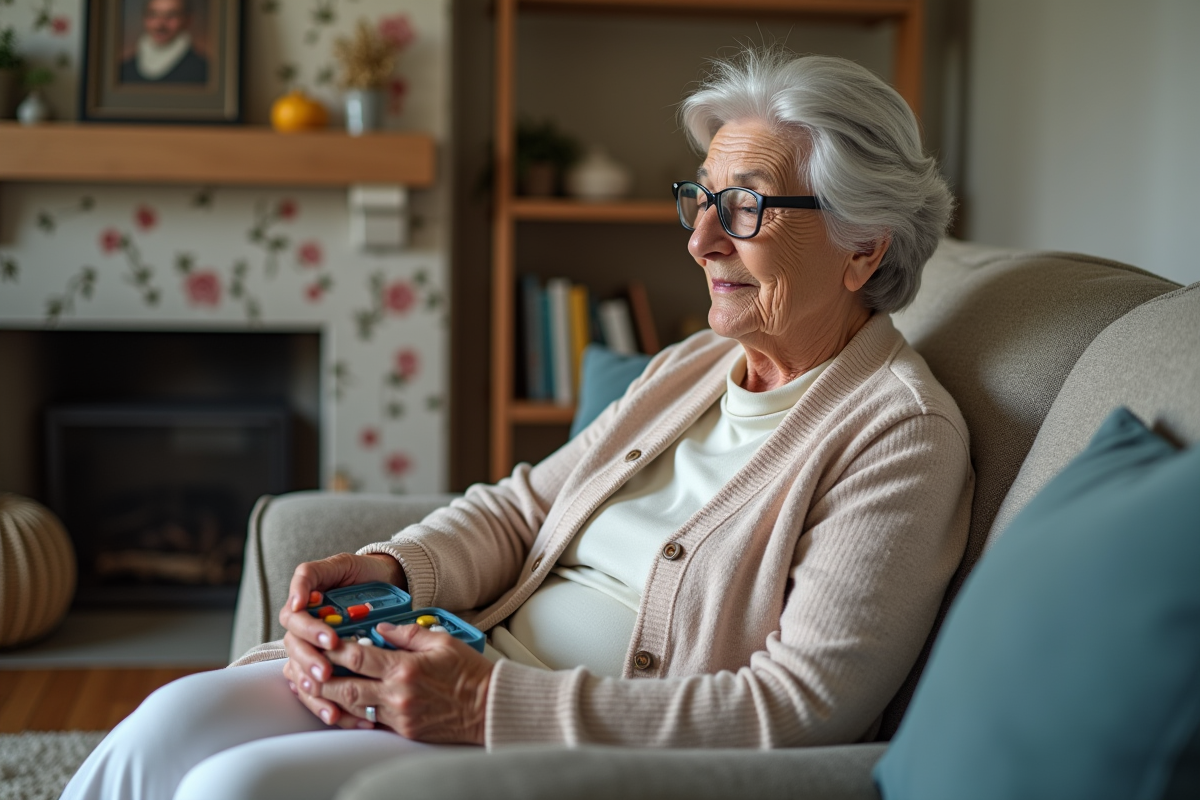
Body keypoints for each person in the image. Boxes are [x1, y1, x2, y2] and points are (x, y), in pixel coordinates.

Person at [63, 48, 971, 800]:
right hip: (453, 663)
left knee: (233, 788)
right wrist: (390, 569)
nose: (700, 241)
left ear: (864, 248)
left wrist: (488, 703)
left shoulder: (900, 435)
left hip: (554, 743)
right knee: (168, 724)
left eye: (747, 208)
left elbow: (803, 707)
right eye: (702, 199)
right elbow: (521, 510)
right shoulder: (692, 366)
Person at [119, 0, 208, 85]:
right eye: (153, 15)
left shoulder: (203, 70)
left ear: (188, 20)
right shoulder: (124, 70)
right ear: (144, 18)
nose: (160, 25)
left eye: (171, 16)